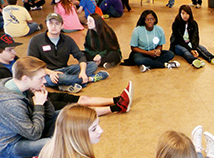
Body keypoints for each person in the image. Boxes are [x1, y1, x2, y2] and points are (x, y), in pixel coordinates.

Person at [0, 33, 132, 116]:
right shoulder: (2, 73)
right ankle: (116, 107)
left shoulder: (15, 60)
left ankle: (117, 99)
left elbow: (32, 70)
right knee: (75, 109)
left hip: (39, 92)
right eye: (10, 49)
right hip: (33, 101)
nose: (13, 52)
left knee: (81, 99)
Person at [28, 13, 107, 93]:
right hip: (46, 73)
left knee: (92, 65)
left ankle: (67, 83)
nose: (54, 26)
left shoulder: (67, 40)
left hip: (65, 70)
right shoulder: (36, 40)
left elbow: (80, 56)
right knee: (60, 78)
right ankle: (90, 79)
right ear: (46, 24)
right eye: (51, 23)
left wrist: (83, 72)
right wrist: (50, 72)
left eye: (57, 23)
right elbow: (31, 63)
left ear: (62, 26)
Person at [0, 56, 56, 158]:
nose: (44, 81)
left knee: (63, 114)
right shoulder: (11, 104)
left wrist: (45, 99)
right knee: (51, 143)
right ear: (25, 78)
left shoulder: (24, 86)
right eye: (41, 78)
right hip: (10, 144)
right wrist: (38, 105)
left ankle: (48, 148)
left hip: (27, 129)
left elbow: (50, 115)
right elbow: (34, 135)